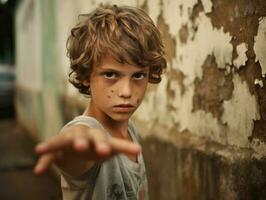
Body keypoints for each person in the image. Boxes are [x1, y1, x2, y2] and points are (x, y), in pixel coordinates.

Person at [34, 4, 167, 200]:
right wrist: (75, 146)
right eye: (111, 74)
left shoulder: (128, 129)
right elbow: (79, 145)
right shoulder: (87, 135)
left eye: (138, 75)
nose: (126, 92)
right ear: (86, 75)